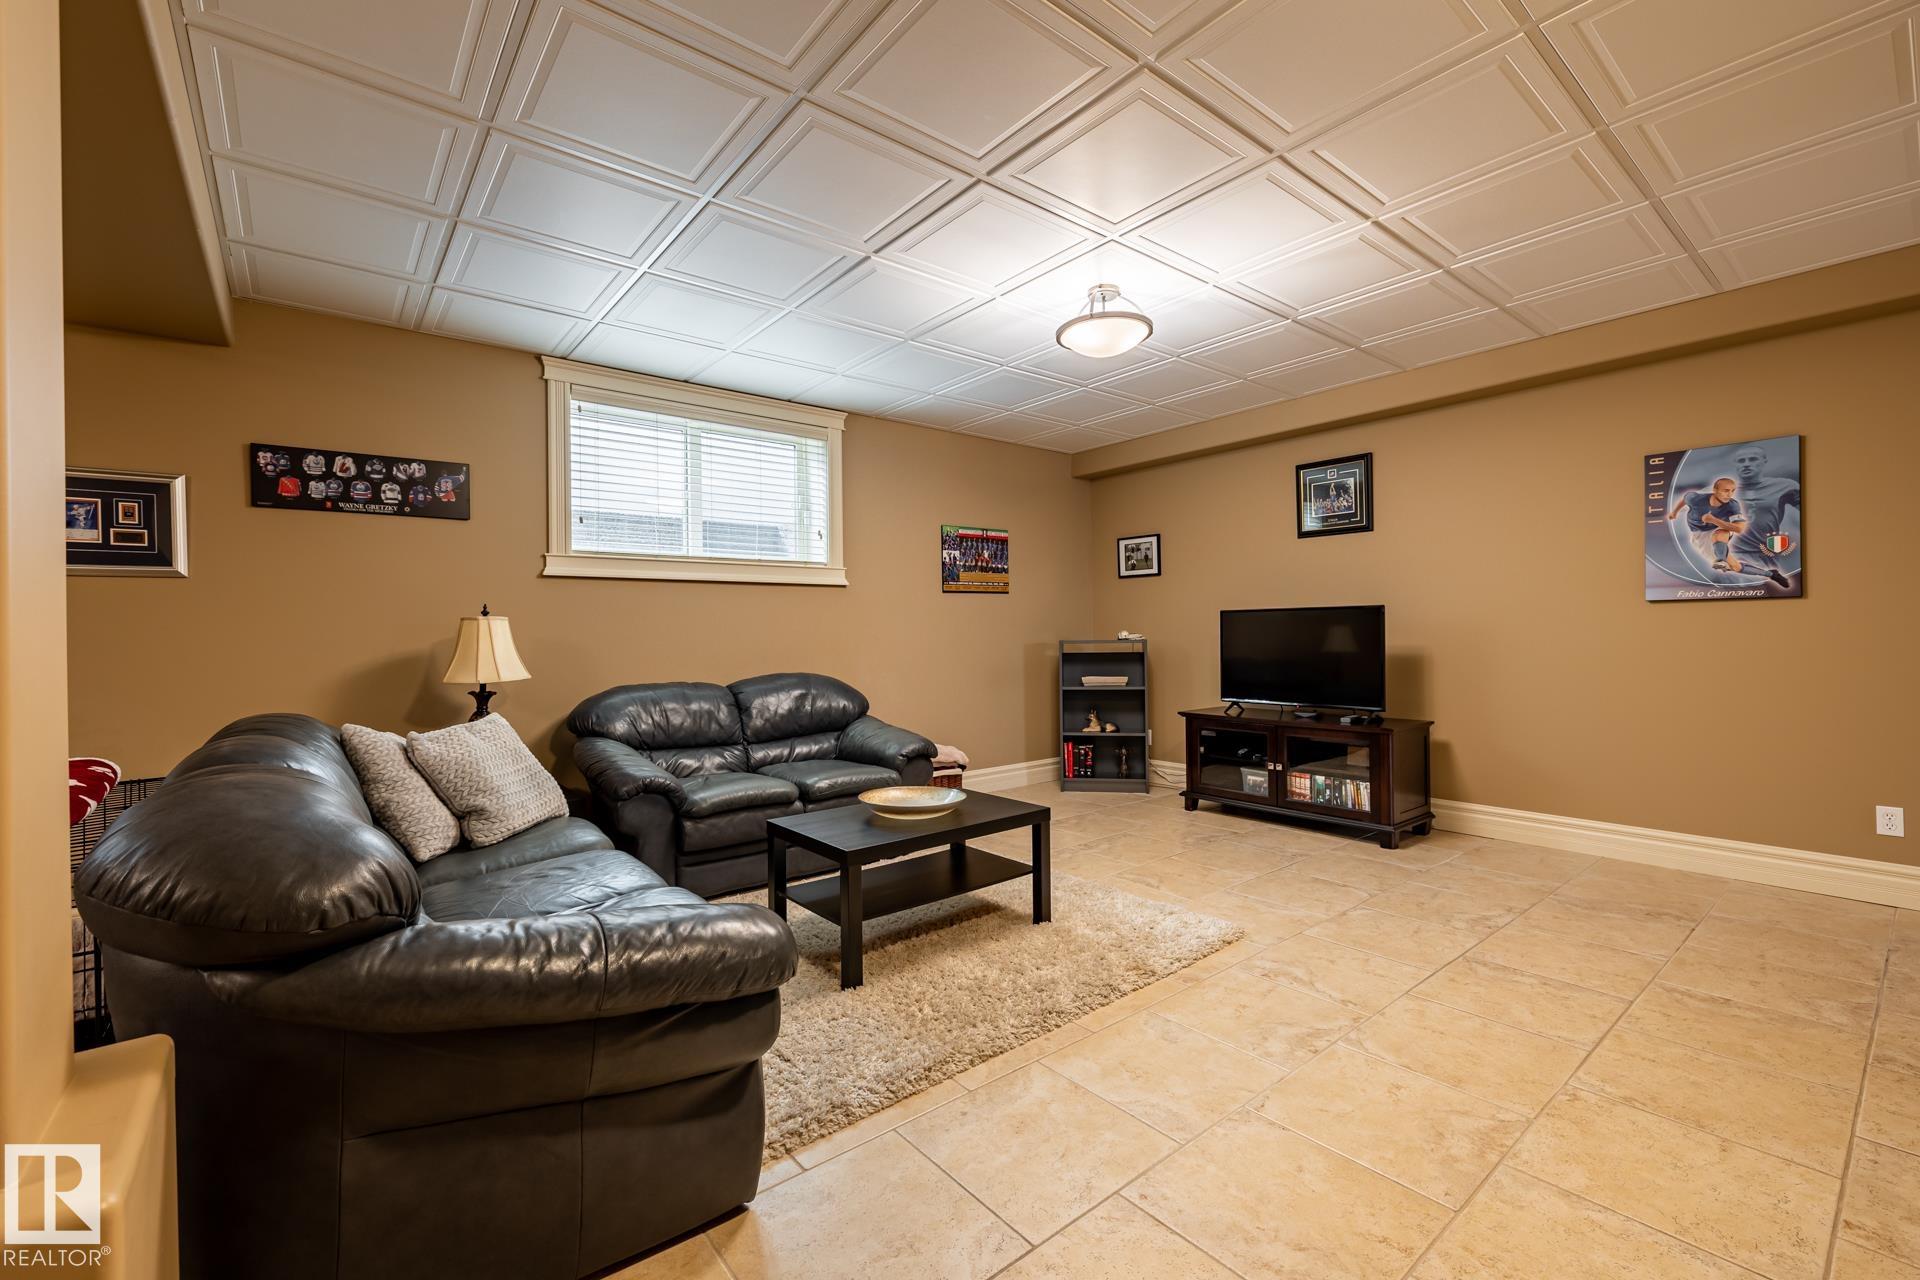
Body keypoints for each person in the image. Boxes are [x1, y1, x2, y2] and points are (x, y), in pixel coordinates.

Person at [1722, 443, 1799, 589]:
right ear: (1735, 465)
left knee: (1768, 593)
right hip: (1734, 554)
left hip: (1766, 555)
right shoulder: (1720, 491)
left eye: (1753, 459)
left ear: (1764, 461)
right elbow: (1691, 502)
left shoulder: (1785, 486)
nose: (1746, 464)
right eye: (1741, 461)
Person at [1668, 476, 1746, 571]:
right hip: (1699, 534)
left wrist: (1714, 520)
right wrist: (1674, 512)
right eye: (1726, 491)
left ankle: (1721, 560)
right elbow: (1685, 499)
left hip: (1717, 528)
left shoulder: (1733, 505)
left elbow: (1739, 528)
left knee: (1720, 534)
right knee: (1735, 567)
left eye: (1732, 491)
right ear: (1715, 490)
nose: (1730, 495)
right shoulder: (1695, 498)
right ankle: (1763, 573)